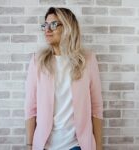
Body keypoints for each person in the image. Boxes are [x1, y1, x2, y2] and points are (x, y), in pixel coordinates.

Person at [25, 7, 103, 150]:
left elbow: (96, 108)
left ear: (68, 27)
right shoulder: (37, 61)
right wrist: (29, 145)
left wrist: (99, 146)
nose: (47, 30)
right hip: (45, 145)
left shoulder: (88, 60)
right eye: (45, 25)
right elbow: (31, 109)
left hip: (77, 145)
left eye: (53, 24)